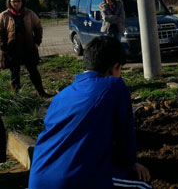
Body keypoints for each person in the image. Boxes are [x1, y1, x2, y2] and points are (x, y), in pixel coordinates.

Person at [29, 36, 151, 189]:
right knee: (143, 186)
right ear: (115, 67)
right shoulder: (114, 85)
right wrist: (130, 163)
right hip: (72, 181)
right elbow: (124, 134)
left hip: (38, 178)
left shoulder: (61, 96)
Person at [0, 0, 50, 97]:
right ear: (9, 2)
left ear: (22, 2)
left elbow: (38, 28)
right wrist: (3, 47)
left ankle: (41, 92)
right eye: (13, 1)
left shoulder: (30, 13)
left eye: (18, 1)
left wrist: (37, 42)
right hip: (12, 49)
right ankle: (16, 97)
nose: (16, 3)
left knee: (33, 71)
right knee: (14, 73)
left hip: (28, 47)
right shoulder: (4, 15)